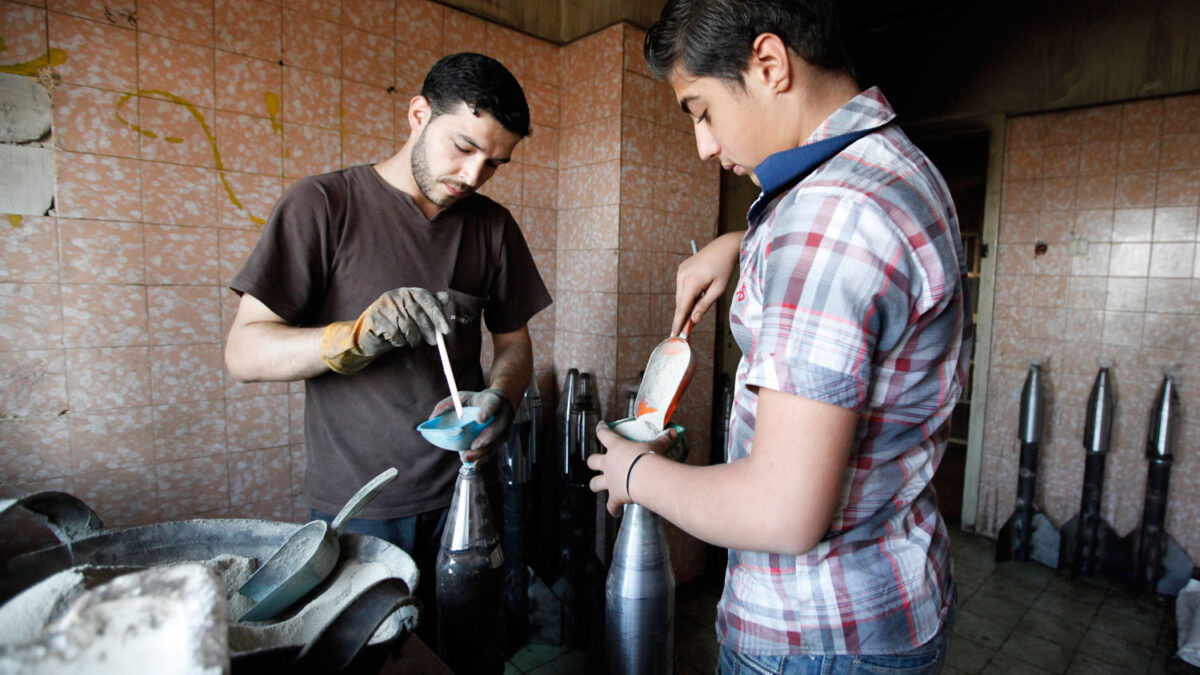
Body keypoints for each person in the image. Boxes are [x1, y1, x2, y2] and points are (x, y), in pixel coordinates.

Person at [586, 1, 973, 673]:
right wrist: (743, 243)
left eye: (702, 110)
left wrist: (636, 473)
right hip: (895, 597)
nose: (705, 144)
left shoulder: (829, 218)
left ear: (768, 63)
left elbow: (783, 509)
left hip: (815, 635)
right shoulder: (892, 168)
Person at [224, 52, 552, 636]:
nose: (474, 176)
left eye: (494, 164)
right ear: (418, 114)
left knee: (466, 651)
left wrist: (499, 397)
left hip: (466, 495)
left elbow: (513, 344)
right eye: (464, 147)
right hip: (359, 509)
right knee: (374, 656)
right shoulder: (322, 206)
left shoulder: (493, 227)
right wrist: (353, 337)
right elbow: (243, 353)